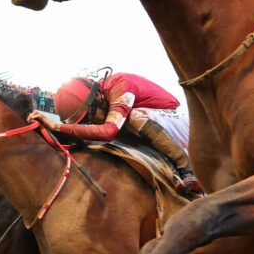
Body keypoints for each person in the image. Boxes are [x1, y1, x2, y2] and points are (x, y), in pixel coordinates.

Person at [29, 72, 202, 195]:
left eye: (89, 116)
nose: (91, 123)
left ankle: (187, 169)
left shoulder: (121, 85)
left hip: (182, 122)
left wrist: (57, 126)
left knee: (133, 118)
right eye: (84, 122)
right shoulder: (101, 98)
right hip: (159, 126)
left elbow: (107, 132)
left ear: (98, 98)